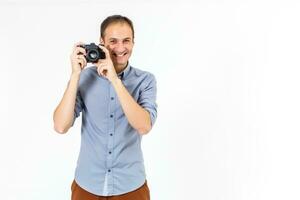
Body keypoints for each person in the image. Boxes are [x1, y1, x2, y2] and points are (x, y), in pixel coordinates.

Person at [53, 15, 157, 200]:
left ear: (133, 42)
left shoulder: (145, 81)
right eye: (113, 41)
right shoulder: (85, 78)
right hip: (87, 185)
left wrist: (114, 79)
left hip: (131, 187)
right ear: (102, 42)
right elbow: (60, 126)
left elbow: (144, 126)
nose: (120, 48)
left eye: (126, 41)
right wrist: (76, 75)